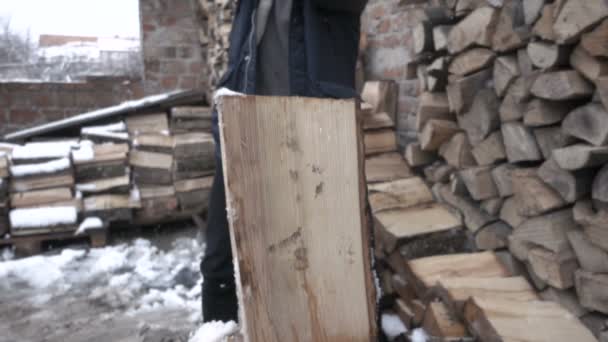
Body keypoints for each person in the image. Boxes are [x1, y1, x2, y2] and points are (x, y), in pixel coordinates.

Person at [201, 0, 368, 323]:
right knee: (219, 261)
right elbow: (243, 55)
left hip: (317, 130)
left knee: (332, 256)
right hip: (247, 128)